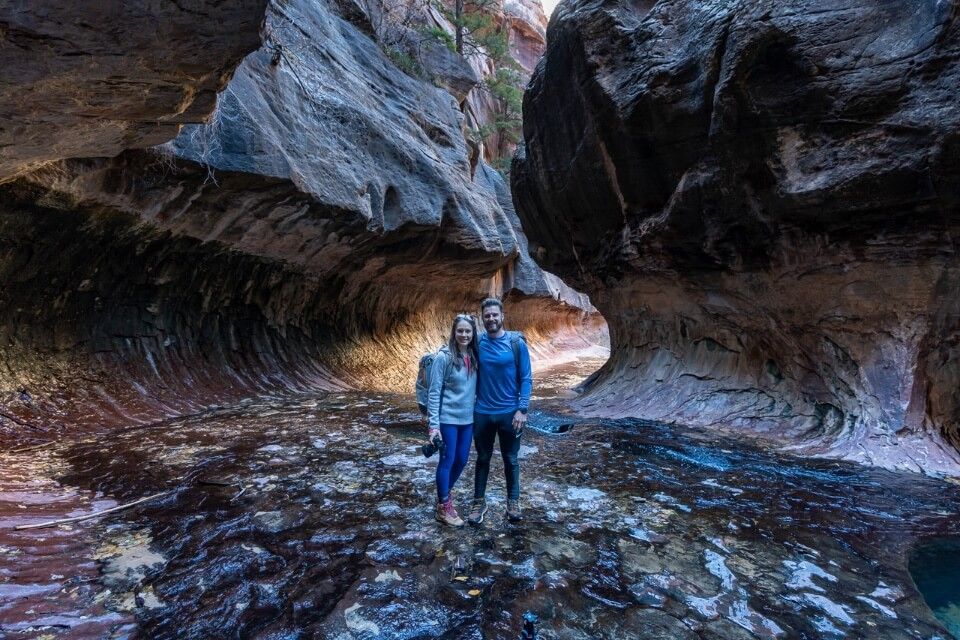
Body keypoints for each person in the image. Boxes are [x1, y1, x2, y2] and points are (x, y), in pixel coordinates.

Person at [467, 297, 532, 524]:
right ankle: (478, 501)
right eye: (487, 316)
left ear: (502, 316)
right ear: (482, 319)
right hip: (482, 412)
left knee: (511, 459)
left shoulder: (517, 344)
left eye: (495, 315)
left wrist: (522, 409)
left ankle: (512, 501)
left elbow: (526, 378)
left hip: (510, 413)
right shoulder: (478, 344)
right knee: (482, 458)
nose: (491, 319)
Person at [427, 313, 480, 527]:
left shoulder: (474, 356)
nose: (464, 334)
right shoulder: (444, 357)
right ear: (453, 332)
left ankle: (443, 496)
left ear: (473, 333)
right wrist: (433, 426)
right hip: (448, 418)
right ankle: (444, 506)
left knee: (462, 460)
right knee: (447, 461)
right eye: (460, 331)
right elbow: (434, 391)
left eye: (468, 331)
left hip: (468, 420)